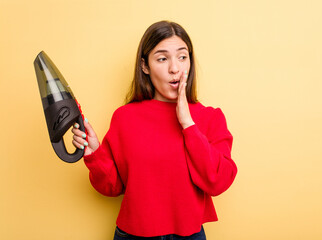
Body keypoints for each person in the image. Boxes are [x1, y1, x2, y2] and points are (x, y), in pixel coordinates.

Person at [71, 20, 237, 240]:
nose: (175, 68)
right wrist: (94, 153)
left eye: (182, 57)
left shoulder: (209, 117)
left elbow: (218, 181)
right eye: (162, 58)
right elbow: (113, 187)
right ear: (145, 66)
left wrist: (188, 124)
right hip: (132, 235)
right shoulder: (125, 118)